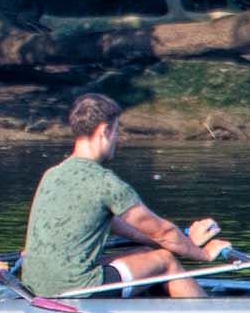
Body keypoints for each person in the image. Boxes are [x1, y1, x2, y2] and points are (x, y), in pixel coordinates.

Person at [17, 93, 230, 298]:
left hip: (35, 283)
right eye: (116, 131)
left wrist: (185, 242)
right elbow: (162, 231)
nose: (117, 139)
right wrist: (203, 253)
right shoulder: (105, 183)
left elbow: (126, 227)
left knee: (146, 253)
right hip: (73, 288)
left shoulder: (52, 175)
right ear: (105, 131)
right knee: (165, 260)